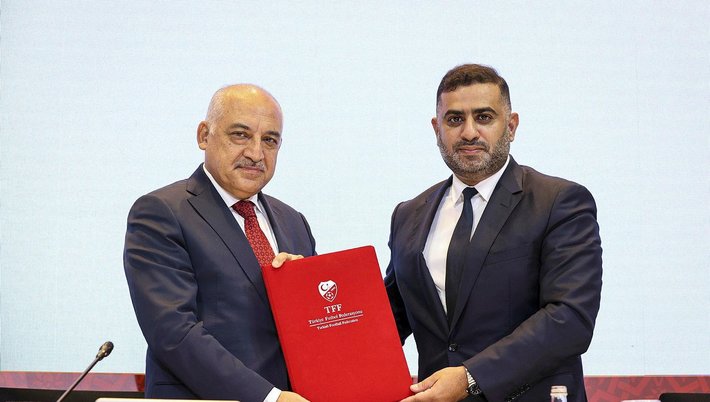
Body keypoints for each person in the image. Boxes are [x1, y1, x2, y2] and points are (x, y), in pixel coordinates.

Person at [384, 64, 602, 402]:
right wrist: (306, 293)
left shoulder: (559, 202)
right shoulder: (408, 215)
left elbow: (570, 319)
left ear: (511, 126)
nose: (469, 132)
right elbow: (386, 321)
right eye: (454, 119)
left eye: (484, 117)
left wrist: (471, 377)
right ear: (437, 129)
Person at [123, 84, 315, 402]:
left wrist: (305, 294)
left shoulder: (294, 222)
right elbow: (173, 332)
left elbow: (315, 329)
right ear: (204, 135)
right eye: (240, 135)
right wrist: (270, 398)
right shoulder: (161, 212)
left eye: (270, 140)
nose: (256, 153)